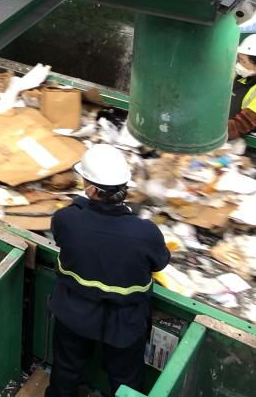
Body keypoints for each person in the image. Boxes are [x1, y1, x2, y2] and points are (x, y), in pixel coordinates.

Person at [47, 144, 170, 397]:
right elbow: (160, 263)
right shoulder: (145, 233)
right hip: (124, 323)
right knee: (125, 381)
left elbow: (65, 238)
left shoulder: (67, 220)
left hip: (74, 314)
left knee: (65, 371)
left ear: (90, 189)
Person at [230, 34, 256, 139]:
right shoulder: (244, 76)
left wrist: (210, 134)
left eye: (243, 61)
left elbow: (244, 123)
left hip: (234, 139)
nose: (239, 65)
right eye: (239, 60)